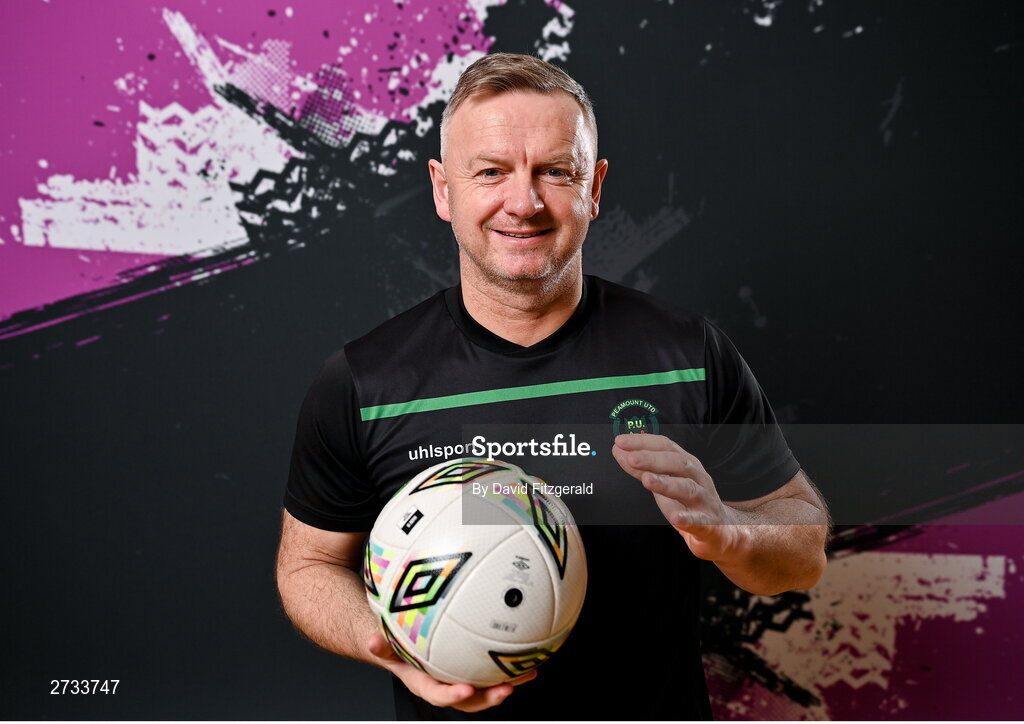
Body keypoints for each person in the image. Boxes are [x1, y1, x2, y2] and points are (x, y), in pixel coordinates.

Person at [277, 53, 829, 720]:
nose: (525, 202)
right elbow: (307, 566)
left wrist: (729, 530)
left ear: (594, 188)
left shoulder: (686, 354)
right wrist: (388, 641)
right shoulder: (367, 381)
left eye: (555, 172)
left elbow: (802, 546)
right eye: (490, 172)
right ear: (443, 189)